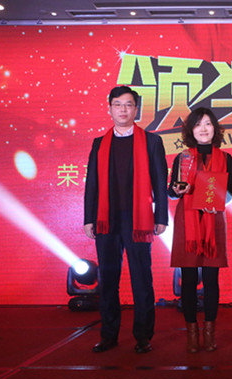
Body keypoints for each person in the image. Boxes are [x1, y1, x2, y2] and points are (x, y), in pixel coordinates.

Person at [84, 86, 168, 354]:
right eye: (118, 104)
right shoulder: (99, 143)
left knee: (141, 278)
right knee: (108, 278)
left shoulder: (152, 142)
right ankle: (109, 335)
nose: (123, 109)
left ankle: (143, 336)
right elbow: (92, 184)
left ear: (136, 109)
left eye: (128, 104)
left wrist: (161, 217)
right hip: (106, 220)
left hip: (139, 220)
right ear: (109, 108)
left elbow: (160, 182)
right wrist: (89, 219)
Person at [168, 107, 232, 353]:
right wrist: (176, 190)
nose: (203, 129)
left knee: (211, 279)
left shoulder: (226, 158)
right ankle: (192, 334)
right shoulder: (183, 157)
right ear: (190, 130)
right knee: (188, 278)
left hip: (213, 220)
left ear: (215, 128)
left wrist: (218, 199)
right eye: (197, 124)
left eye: (207, 124)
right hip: (188, 221)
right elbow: (171, 190)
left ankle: (209, 333)